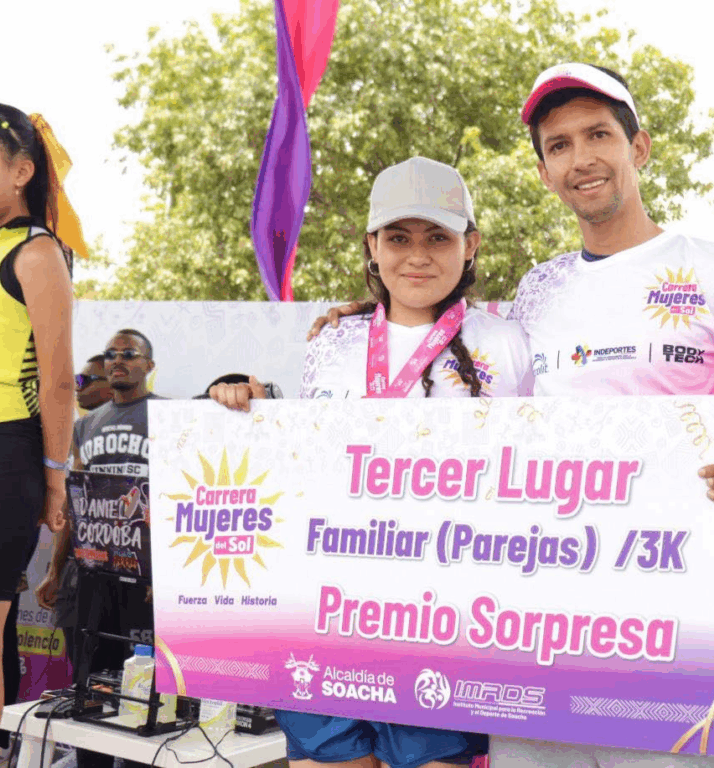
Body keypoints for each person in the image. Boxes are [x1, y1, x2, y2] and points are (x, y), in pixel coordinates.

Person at [312, 64, 714, 766]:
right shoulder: (536, 291)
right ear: (544, 172)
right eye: (559, 145)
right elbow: (448, 347)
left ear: (639, 147)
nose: (581, 159)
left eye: (598, 134)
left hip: (669, 616)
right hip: (538, 622)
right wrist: (370, 316)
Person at [211, 156, 530, 768]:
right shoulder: (332, 340)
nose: (418, 256)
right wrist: (250, 412)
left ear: (470, 246)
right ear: (372, 246)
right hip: (328, 610)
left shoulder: (506, 342)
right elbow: (304, 462)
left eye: (438, 237)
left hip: (446, 618)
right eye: (398, 238)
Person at [0, 104, 75, 759]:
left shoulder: (36, 251)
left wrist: (54, 478)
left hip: (2, 455)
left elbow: (59, 381)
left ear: (21, 172)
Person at [36, 329, 162, 768]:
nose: (117, 360)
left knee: (144, 695)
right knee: (91, 688)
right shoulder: (85, 425)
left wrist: (166, 573)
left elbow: (186, 497)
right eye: (111, 354)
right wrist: (55, 570)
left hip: (144, 580)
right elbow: (74, 505)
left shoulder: (169, 415)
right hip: (92, 574)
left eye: (129, 353)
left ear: (149, 365)